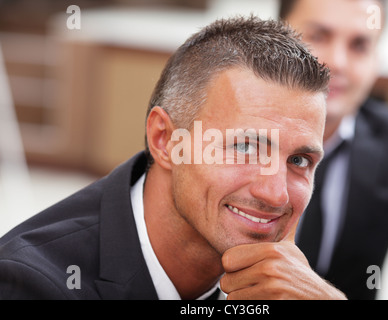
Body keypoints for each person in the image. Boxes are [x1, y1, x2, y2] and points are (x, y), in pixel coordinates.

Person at [0, 16, 346, 300]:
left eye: (299, 160)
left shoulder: (290, 279)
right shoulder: (31, 285)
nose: (276, 195)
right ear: (165, 140)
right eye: (244, 147)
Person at [280, 0, 388, 299]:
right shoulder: (226, 132)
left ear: (376, 60)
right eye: (318, 36)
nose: (338, 62)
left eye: (359, 45)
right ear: (276, 41)